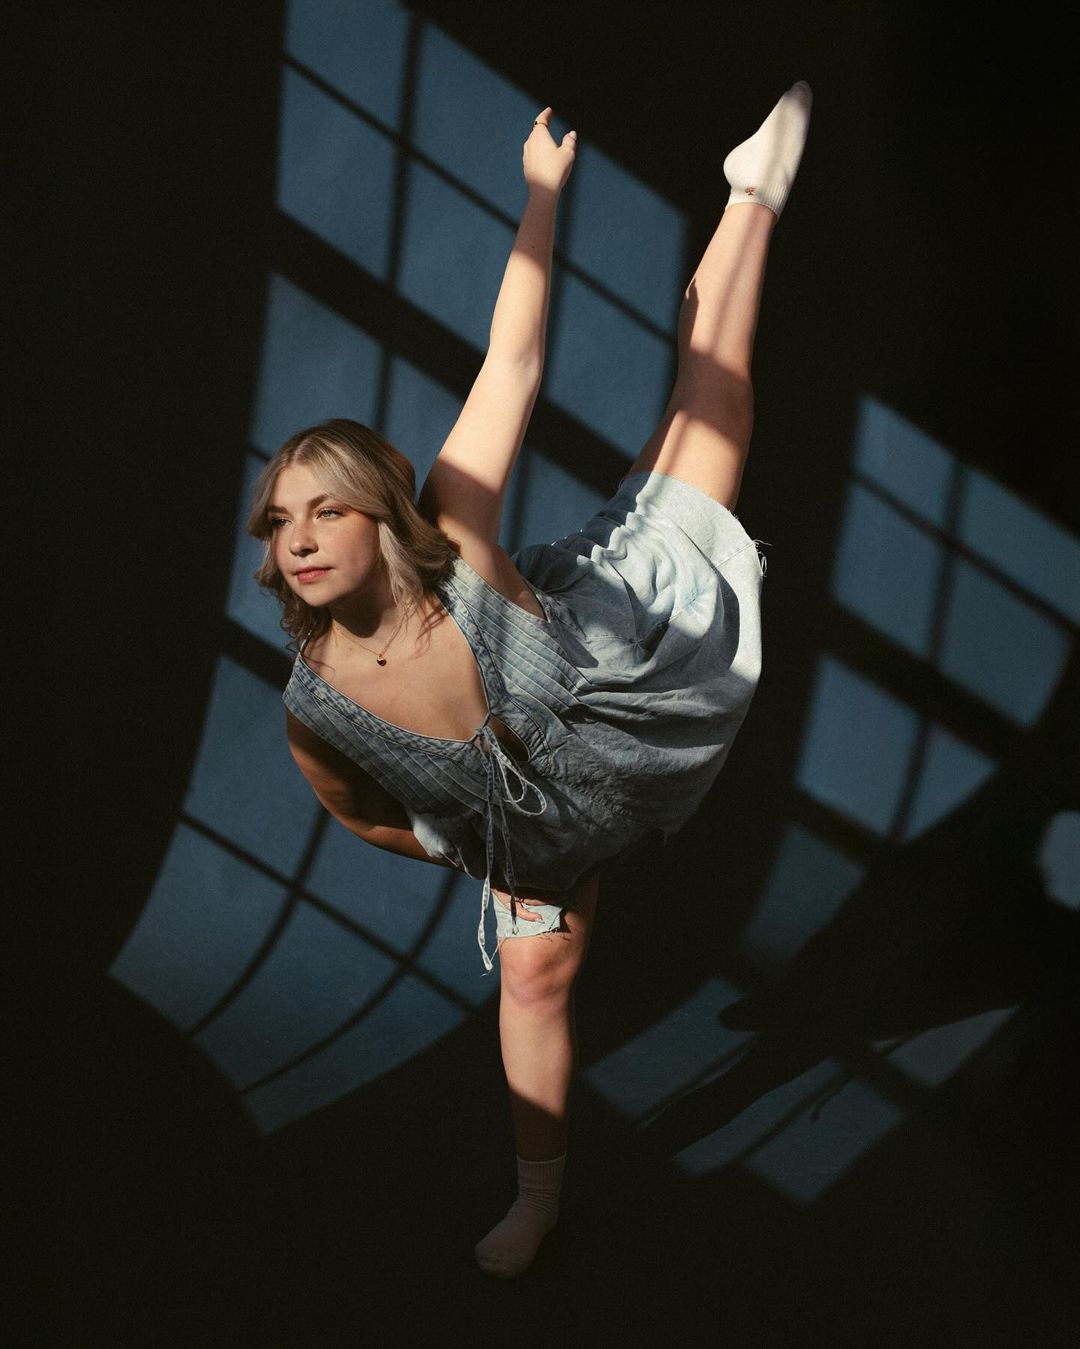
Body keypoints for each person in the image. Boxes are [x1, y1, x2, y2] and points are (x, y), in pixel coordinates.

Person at [247, 81, 812, 1278]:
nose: (300, 537)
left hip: (621, 653)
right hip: (534, 840)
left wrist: (542, 197)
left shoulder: (453, 538)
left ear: (382, 514)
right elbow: (360, 812)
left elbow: (512, 360)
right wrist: (468, 837)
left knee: (712, 397)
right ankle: (538, 1200)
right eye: (282, 520)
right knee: (537, 983)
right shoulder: (316, 702)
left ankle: (751, 192)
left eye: (328, 510)